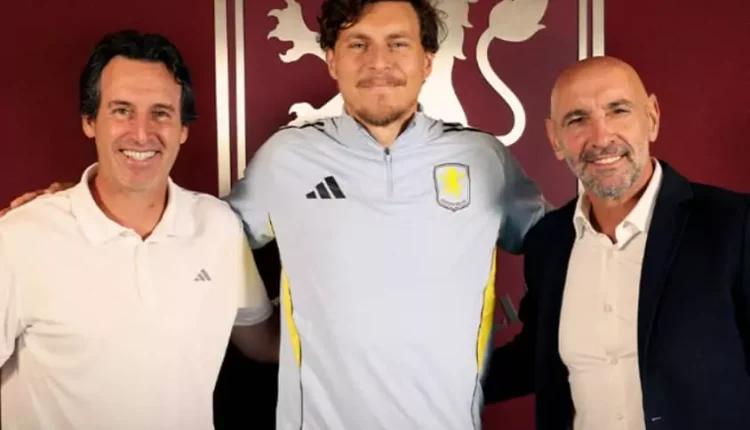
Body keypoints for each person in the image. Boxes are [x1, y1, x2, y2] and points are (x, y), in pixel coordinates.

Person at [3, 1, 549, 428]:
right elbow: (190, 232)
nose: (378, 62)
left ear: (427, 60)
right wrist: (72, 207)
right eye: (357, 43)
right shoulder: (287, 158)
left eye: (397, 43)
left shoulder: (485, 159)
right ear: (331, 59)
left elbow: (563, 247)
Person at [0, 30, 279, 430]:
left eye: (161, 113)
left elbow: (266, 343)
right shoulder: (19, 237)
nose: (142, 133)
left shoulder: (218, 227)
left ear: (183, 129)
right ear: (89, 121)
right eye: (122, 111)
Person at [483, 56, 750, 430]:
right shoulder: (548, 242)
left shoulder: (734, 226)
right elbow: (535, 358)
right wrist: (424, 384)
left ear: (652, 117)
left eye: (618, 110)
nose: (601, 137)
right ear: (555, 138)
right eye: (577, 119)